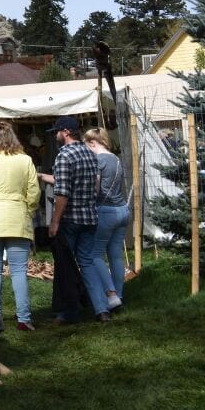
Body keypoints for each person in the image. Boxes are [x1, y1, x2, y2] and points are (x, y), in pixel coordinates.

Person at [0, 122, 41, 331]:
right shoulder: (25, 160)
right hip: (17, 218)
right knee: (19, 271)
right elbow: (34, 192)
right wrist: (28, 210)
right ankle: (24, 318)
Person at [41, 116, 109, 324]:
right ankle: (101, 309)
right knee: (87, 263)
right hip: (90, 218)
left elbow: (62, 193)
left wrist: (54, 222)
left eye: (57, 132)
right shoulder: (90, 153)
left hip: (70, 219)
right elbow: (96, 187)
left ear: (66, 132)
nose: (55, 135)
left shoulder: (64, 156)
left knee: (65, 266)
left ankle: (69, 312)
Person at [85, 127, 129, 311]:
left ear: (92, 142)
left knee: (94, 255)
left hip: (106, 211)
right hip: (122, 210)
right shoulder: (116, 159)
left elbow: (95, 189)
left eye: (87, 145)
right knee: (115, 255)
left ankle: (110, 293)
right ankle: (118, 295)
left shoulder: (98, 160)